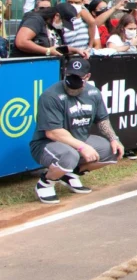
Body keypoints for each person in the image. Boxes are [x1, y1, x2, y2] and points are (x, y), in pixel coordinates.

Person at [29, 58, 123, 204]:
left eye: (78, 77)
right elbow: (52, 132)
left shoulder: (93, 93)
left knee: (112, 151)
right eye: (70, 75)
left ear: (87, 76)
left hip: (79, 140)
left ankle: (70, 174)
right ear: (65, 73)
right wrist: (82, 147)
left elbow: (102, 119)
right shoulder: (51, 96)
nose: (73, 80)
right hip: (46, 144)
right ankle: (46, 182)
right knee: (69, 155)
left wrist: (113, 138)